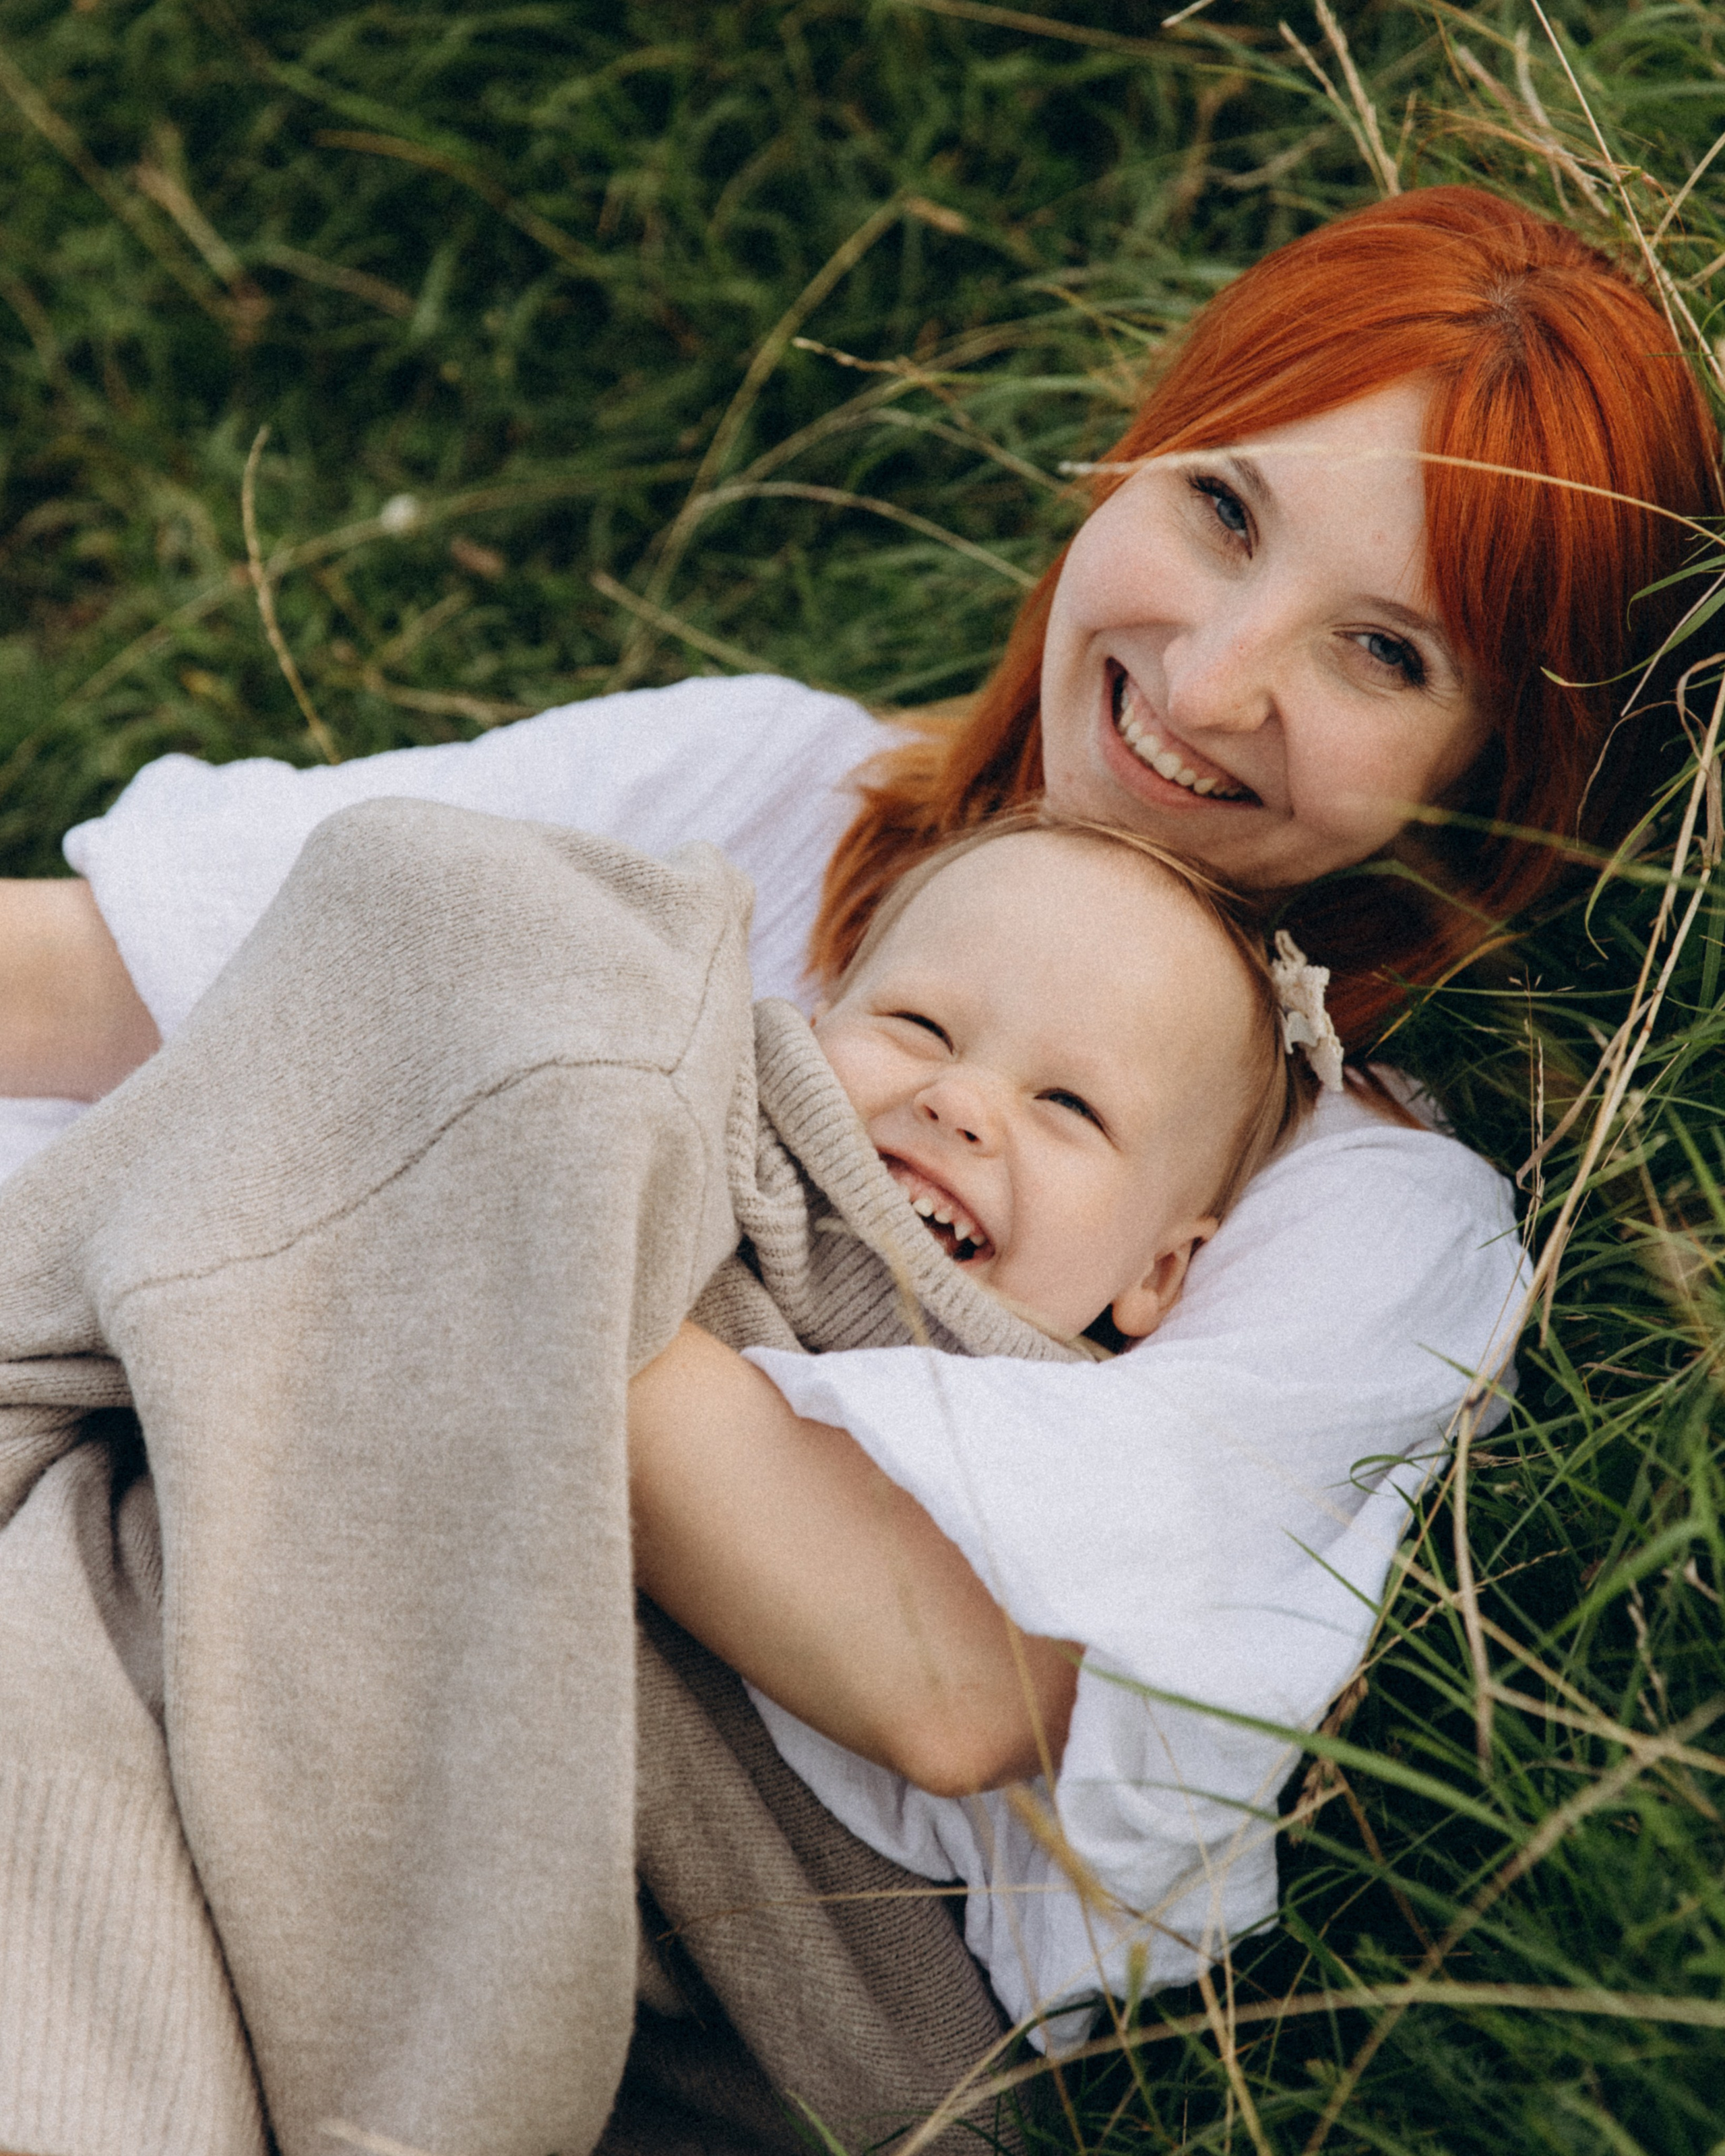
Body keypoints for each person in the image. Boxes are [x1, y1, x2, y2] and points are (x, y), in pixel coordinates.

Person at [0, 181, 1714, 2116]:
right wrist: (434, 1100)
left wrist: (461, 1183)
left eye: (1380, 655)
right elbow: (148, 972)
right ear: (1134, 464)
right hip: (178, 1553)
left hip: (623, 1850)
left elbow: (943, 1678)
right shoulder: (761, 785)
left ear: (1486, 774)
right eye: (1222, 512)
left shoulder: (1369, 1215)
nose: (1217, 678)